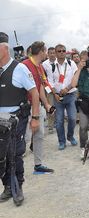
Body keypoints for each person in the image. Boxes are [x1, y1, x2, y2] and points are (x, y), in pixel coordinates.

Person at [0, 32, 40, 206]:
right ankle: (7, 186)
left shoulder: (19, 68)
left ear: (4, 48)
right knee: (2, 155)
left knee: (15, 153)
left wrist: (36, 117)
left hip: (16, 119)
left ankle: (18, 187)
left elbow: (34, 93)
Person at [21, 41, 55, 173]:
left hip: (37, 106)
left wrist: (46, 104)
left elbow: (41, 86)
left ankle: (38, 165)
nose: (46, 54)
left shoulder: (39, 67)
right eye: (45, 51)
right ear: (41, 52)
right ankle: (14, 167)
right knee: (25, 136)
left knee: (40, 134)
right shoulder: (24, 65)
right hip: (26, 106)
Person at [50, 44, 79, 150]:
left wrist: (67, 88)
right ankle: (61, 141)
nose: (62, 52)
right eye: (59, 51)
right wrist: (55, 94)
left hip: (70, 94)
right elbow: (50, 82)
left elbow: (76, 78)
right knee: (59, 122)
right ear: (56, 53)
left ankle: (70, 136)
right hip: (58, 97)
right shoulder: (51, 66)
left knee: (72, 118)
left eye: (63, 51)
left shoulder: (71, 64)